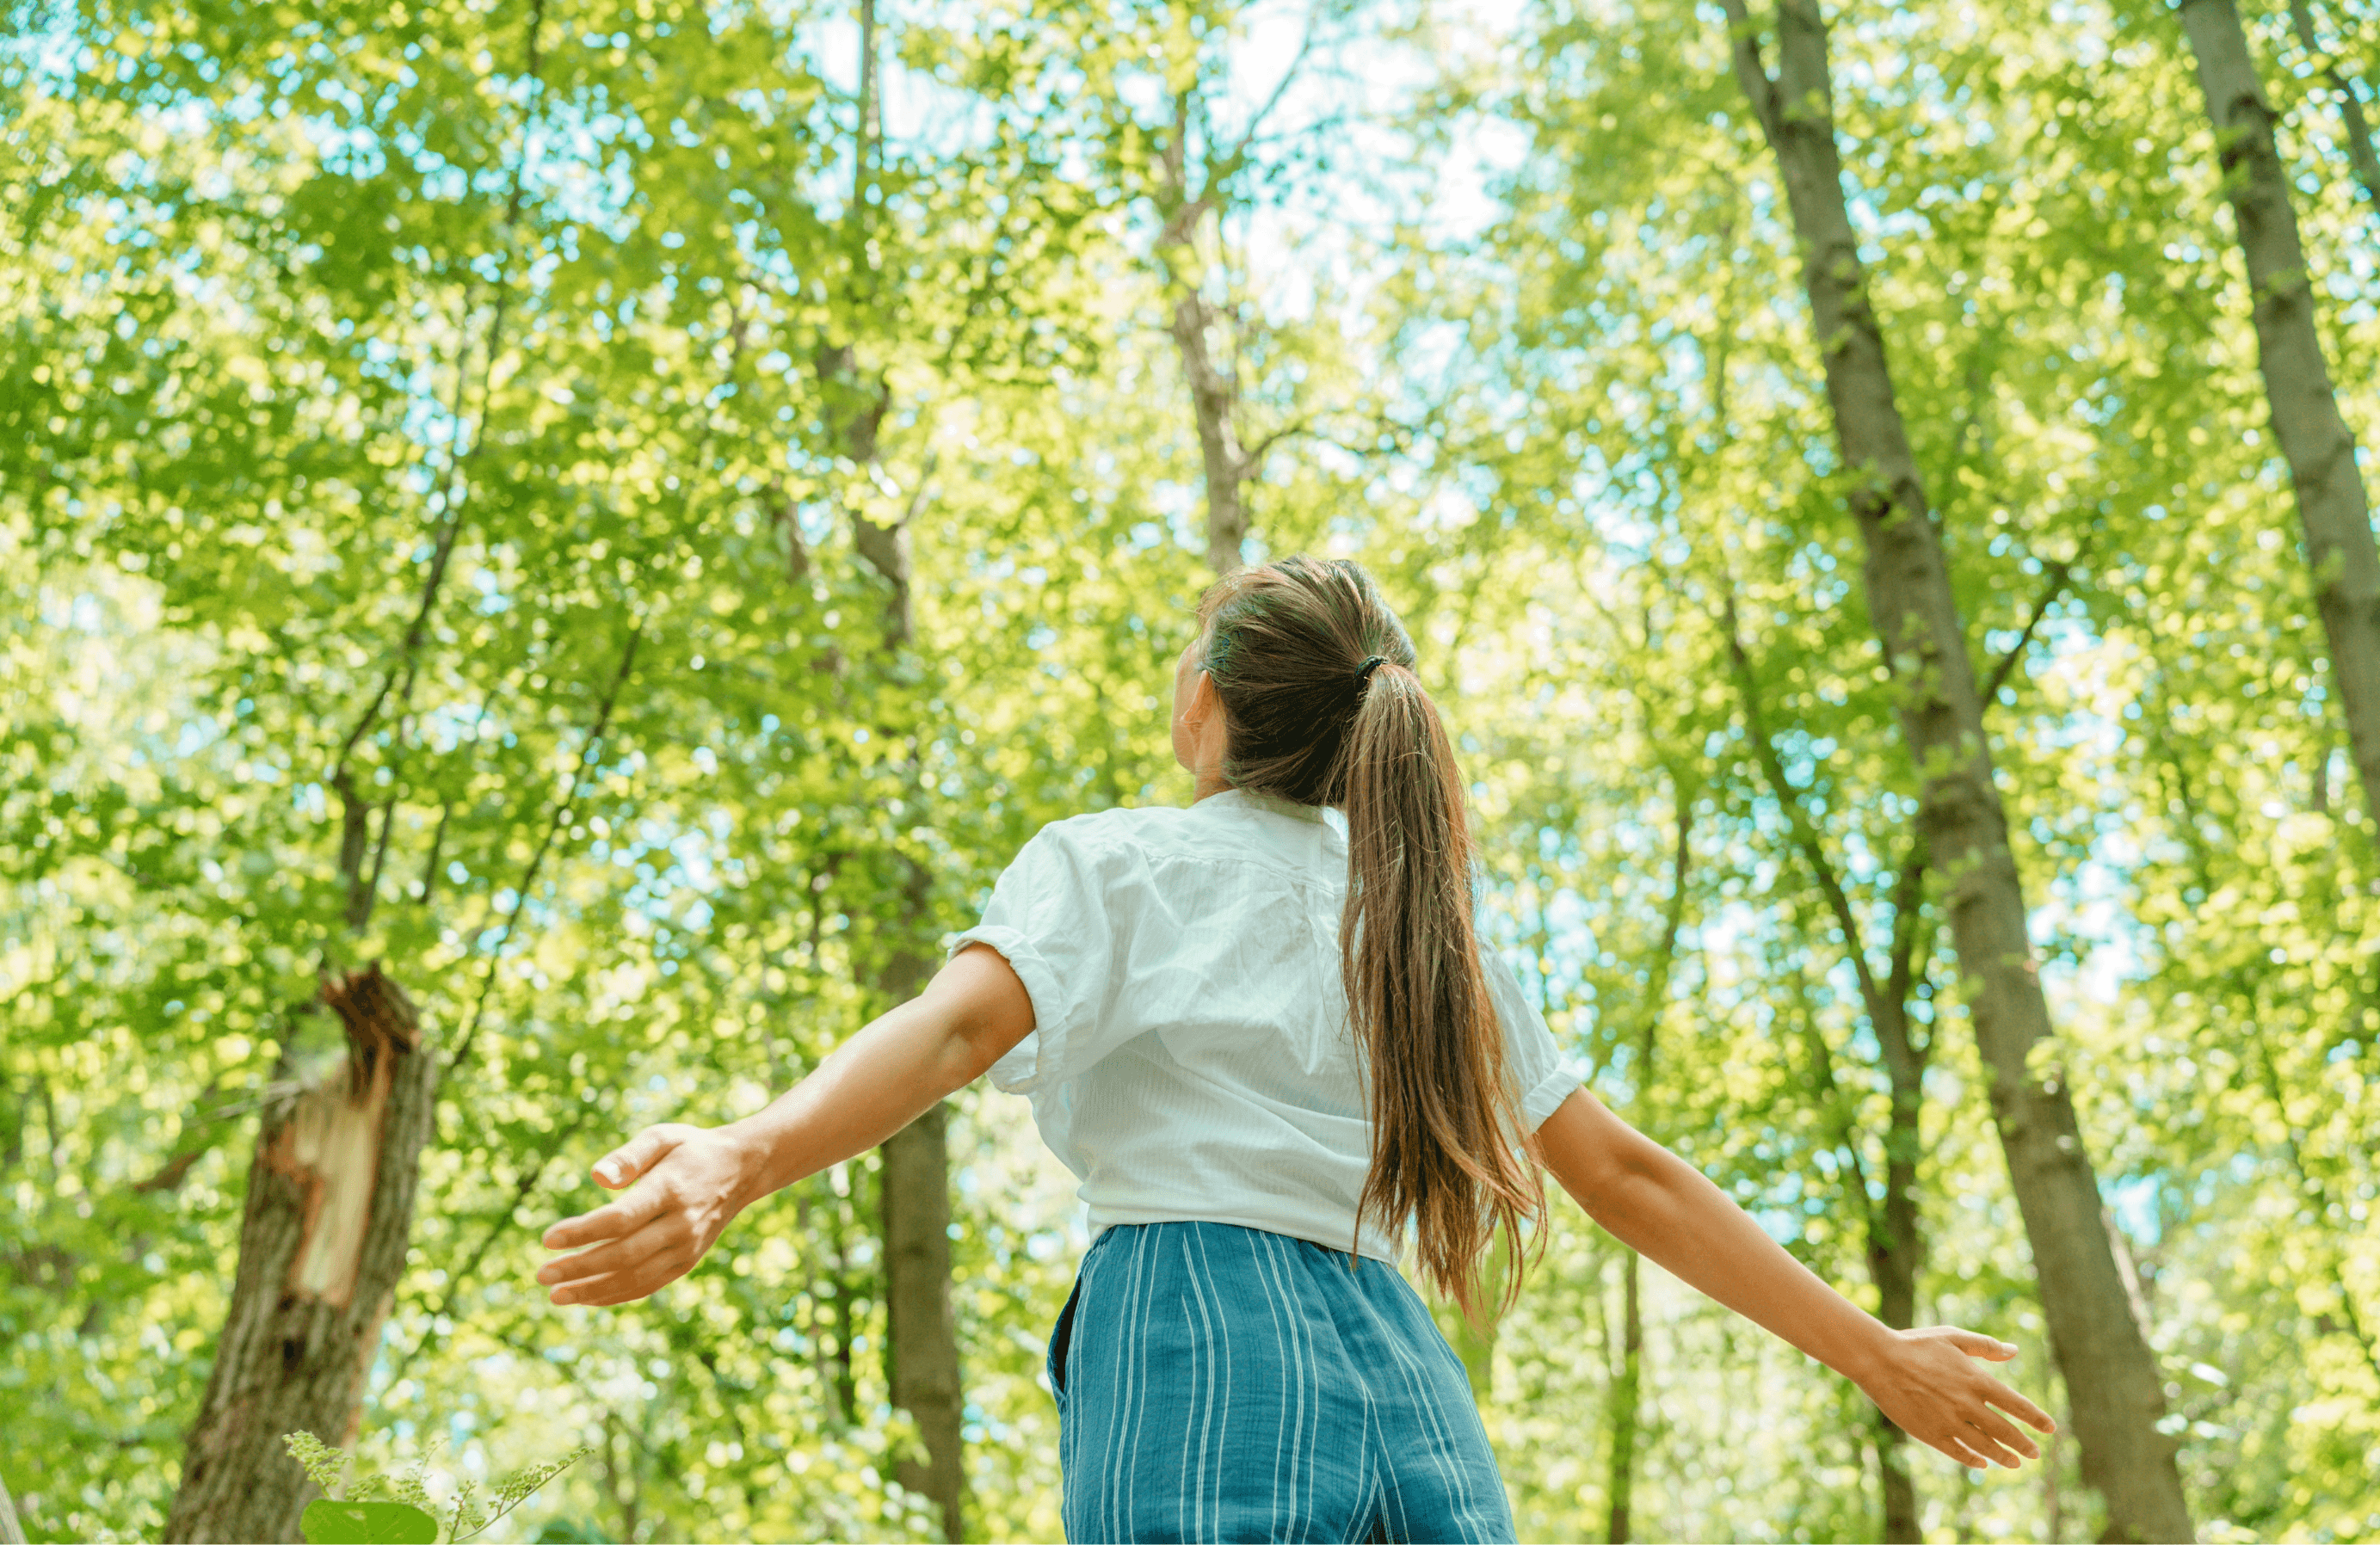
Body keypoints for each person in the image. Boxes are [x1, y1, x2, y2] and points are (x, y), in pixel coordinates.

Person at [536, 556, 2054, 1542]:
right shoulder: (1430, 933)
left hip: (1193, 1320)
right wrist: (1875, 1352)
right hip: (1399, 1360)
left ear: (1205, 707)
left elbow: (948, 1035)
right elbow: (1627, 1174)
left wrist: (743, 1150)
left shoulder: (1122, 861)